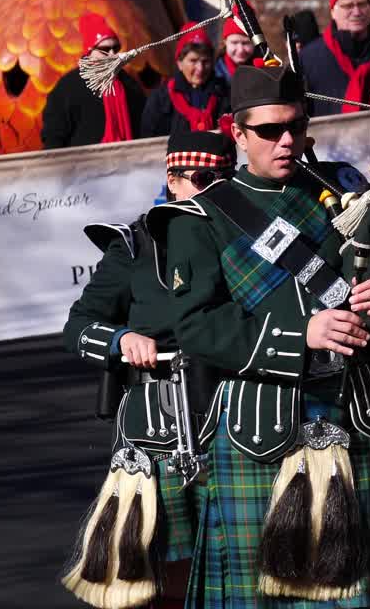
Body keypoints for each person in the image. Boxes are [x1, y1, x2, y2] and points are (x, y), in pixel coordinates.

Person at [154, 65, 370, 607]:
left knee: (360, 595)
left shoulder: (350, 200)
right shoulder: (201, 218)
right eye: (268, 130)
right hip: (259, 433)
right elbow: (197, 327)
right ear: (235, 133)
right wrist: (301, 333)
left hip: (357, 424)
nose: (287, 141)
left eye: (297, 126)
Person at [59, 131, 234, 608]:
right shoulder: (134, 245)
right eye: (201, 179)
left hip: (241, 421)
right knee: (163, 575)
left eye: (222, 178)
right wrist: (120, 339)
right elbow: (77, 326)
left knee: (243, 564)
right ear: (172, 180)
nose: (212, 187)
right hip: (159, 426)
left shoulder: (251, 239)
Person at [42, 12, 147, 148]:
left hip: (126, 163)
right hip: (83, 166)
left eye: (115, 48)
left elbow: (145, 126)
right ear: (89, 51)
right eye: (105, 49)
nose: (112, 54)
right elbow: (53, 136)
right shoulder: (69, 87)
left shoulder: (128, 84)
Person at [141, 24, 229, 138]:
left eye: (205, 61)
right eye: (193, 60)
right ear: (180, 63)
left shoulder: (224, 93)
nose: (200, 68)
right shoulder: (161, 98)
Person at [216, 12, 257, 86]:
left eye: (246, 43)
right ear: (225, 42)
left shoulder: (262, 70)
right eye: (234, 42)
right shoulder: (212, 73)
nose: (240, 50)